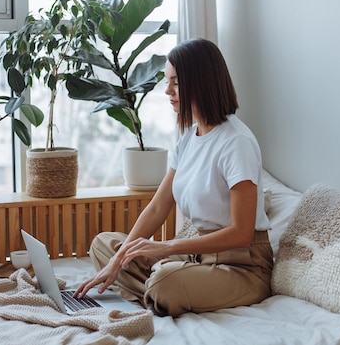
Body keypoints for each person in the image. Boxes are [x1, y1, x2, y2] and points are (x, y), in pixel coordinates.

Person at [74, 38, 272, 317]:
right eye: (168, 81)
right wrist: (119, 260)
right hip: (197, 256)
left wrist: (166, 247)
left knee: (164, 282)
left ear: (202, 82)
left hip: (243, 265)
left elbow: (241, 233)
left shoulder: (236, 142)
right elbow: (158, 206)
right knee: (105, 246)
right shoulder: (188, 137)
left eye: (176, 82)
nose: (167, 91)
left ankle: (162, 289)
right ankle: (164, 290)